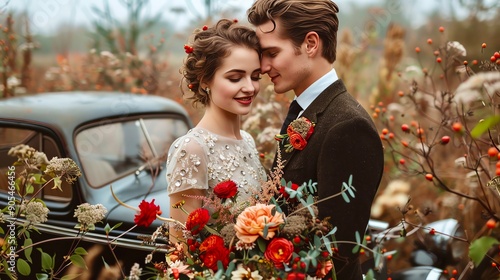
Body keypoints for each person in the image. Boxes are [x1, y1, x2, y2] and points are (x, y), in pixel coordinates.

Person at [247, 1, 384, 279]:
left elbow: (337, 249)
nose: (262, 67)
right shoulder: (308, 109)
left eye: (272, 53)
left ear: (310, 44)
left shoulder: (348, 126)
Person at [166, 19, 267, 242]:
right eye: (235, 77)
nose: (250, 87)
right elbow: (179, 249)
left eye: (256, 76)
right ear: (205, 82)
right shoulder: (192, 149)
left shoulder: (248, 140)